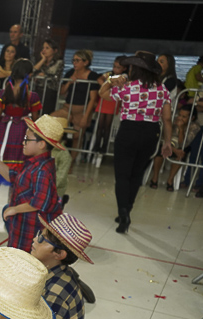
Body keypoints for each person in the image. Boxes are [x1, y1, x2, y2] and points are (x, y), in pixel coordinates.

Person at [101, 51, 172, 234]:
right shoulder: (162, 90)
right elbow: (167, 119)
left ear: (136, 69)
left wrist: (111, 80)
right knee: (137, 174)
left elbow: (103, 93)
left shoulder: (127, 87)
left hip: (128, 131)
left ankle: (123, 213)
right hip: (151, 133)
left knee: (122, 175)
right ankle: (128, 209)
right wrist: (167, 142)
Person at [0, 114, 64, 252]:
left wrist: (14, 209)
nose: (23, 142)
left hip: (31, 230)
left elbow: (39, 202)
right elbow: (12, 176)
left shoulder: (42, 170)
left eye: (27, 139)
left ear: (41, 144)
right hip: (21, 224)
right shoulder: (34, 162)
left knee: (22, 259)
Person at [0, 58, 42, 218]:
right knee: (14, 173)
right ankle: (10, 208)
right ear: (29, 74)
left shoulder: (4, 93)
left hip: (2, 133)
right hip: (20, 133)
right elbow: (36, 120)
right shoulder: (32, 96)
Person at [52, 49, 99, 159]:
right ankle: (55, 155)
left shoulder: (92, 76)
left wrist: (86, 117)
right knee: (52, 121)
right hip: (67, 108)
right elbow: (62, 92)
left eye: (77, 60)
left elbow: (93, 99)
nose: (74, 63)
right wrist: (69, 82)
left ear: (85, 62)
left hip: (81, 110)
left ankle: (71, 162)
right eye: (73, 60)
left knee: (77, 137)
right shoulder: (70, 73)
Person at [92, 56, 128, 167]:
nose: (115, 69)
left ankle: (104, 147)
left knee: (107, 126)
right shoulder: (109, 74)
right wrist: (107, 85)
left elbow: (120, 85)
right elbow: (100, 79)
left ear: (124, 68)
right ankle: (96, 145)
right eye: (114, 66)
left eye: (118, 67)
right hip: (104, 99)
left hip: (113, 101)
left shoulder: (124, 77)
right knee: (100, 125)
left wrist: (109, 84)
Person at [32, 39, 64, 115]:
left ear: (55, 50)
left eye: (47, 48)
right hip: (38, 90)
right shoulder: (41, 62)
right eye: (43, 48)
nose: (44, 50)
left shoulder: (59, 62)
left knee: (45, 114)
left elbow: (55, 77)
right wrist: (43, 60)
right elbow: (32, 72)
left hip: (50, 92)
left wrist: (44, 76)